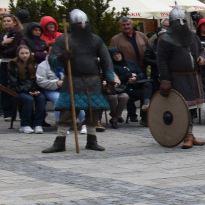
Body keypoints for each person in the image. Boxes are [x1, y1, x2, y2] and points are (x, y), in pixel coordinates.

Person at [42, 10, 115, 153]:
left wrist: (110, 79)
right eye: (78, 24)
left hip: (93, 80)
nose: (82, 26)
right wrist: (62, 57)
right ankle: (59, 142)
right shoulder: (64, 40)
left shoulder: (96, 40)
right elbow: (52, 61)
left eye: (84, 23)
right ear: (73, 25)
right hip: (72, 79)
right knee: (67, 112)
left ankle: (92, 140)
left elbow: (106, 61)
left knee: (93, 112)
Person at [155, 6, 205, 149]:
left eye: (183, 21)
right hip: (178, 79)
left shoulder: (192, 37)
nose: (181, 24)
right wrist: (165, 79)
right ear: (172, 23)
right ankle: (187, 136)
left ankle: (190, 134)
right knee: (183, 109)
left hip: (193, 77)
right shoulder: (165, 39)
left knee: (193, 109)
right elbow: (162, 60)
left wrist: (202, 59)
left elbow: (201, 50)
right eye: (177, 22)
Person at [8, 45, 46, 133]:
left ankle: (38, 124)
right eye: (22, 53)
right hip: (18, 90)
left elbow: (36, 80)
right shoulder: (13, 64)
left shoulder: (34, 63)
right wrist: (28, 91)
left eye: (26, 53)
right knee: (28, 99)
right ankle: (25, 124)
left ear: (30, 53)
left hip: (32, 90)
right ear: (18, 54)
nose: (24, 55)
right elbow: (13, 83)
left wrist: (36, 90)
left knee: (41, 98)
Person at [103, 47, 130, 128]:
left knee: (124, 96)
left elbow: (116, 79)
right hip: (107, 89)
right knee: (113, 97)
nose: (116, 56)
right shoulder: (104, 66)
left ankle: (115, 117)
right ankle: (116, 116)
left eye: (118, 54)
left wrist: (116, 83)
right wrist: (107, 84)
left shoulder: (110, 67)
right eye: (114, 55)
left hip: (116, 88)